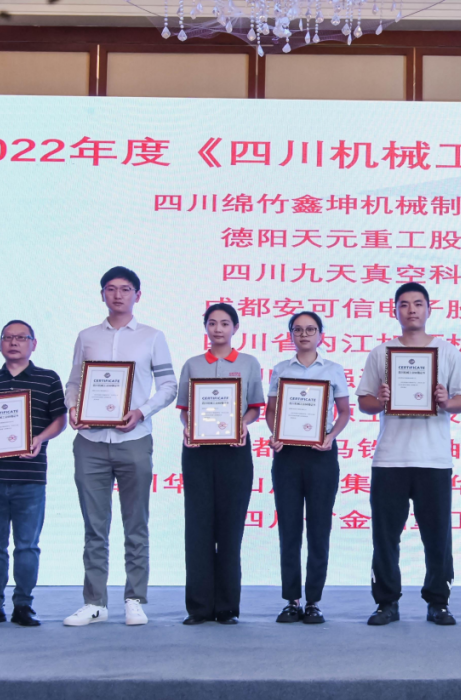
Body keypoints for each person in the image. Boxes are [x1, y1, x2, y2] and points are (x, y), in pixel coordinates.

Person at [63, 266, 177, 627]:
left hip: (134, 440)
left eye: (125, 289)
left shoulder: (152, 337)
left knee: (136, 524)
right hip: (91, 442)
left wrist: (141, 412)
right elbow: (74, 382)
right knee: (94, 527)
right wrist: (73, 408)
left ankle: (134, 599)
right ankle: (95, 602)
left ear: (137, 295)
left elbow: (169, 386)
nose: (117, 295)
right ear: (102, 294)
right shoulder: (86, 337)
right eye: (110, 289)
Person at [356, 282, 461, 626]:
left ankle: (438, 602)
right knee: (385, 537)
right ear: (395, 310)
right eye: (404, 304)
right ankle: (386, 602)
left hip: (433, 459)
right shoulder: (381, 353)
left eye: (418, 304)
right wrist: (381, 400)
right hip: (390, 458)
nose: (411, 310)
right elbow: (364, 403)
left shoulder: (447, 352)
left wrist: (445, 401)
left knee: (437, 537)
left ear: (428, 309)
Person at [0, 321, 67, 627]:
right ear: (0, 344)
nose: (14, 342)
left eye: (21, 337)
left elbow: (60, 420)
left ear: (33, 344)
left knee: (27, 547)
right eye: (8, 337)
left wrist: (40, 438)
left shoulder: (48, 378)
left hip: (29, 477)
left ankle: (23, 605)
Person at [176, 303, 265, 625]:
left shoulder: (248, 363)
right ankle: (199, 608)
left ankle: (227, 607)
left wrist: (243, 424)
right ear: (205, 327)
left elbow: (255, 407)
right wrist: (188, 427)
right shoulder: (193, 364)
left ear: (235, 328)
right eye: (212, 323)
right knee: (198, 528)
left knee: (230, 529)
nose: (218, 329)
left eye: (225, 323)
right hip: (198, 451)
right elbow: (185, 409)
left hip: (234, 451)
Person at [266, 311, 351, 624]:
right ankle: (292, 600)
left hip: (321, 455)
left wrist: (330, 436)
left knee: (319, 529)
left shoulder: (333, 370)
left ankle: (313, 600)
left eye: (310, 329)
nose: (304, 334)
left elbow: (344, 412)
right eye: (298, 329)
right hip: (287, 455)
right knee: (289, 529)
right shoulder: (280, 369)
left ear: (321, 335)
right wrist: (275, 434)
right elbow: (271, 411)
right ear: (291, 334)